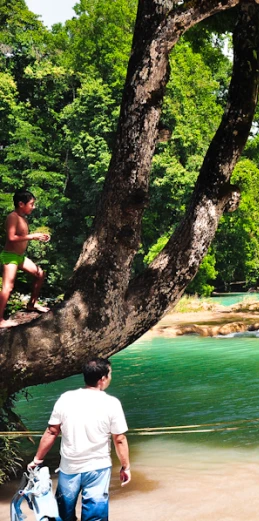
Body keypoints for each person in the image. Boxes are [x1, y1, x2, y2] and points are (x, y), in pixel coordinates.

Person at [28, 357, 131, 521]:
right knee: (95, 516)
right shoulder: (112, 403)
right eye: (110, 374)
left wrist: (37, 460)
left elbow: (51, 432)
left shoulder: (66, 398)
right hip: (98, 468)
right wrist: (125, 467)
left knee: (63, 514)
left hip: (70, 467)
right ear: (102, 379)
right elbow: (119, 439)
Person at [0, 189, 51, 328]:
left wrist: (39, 236)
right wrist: (32, 236)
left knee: (40, 274)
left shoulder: (23, 218)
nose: (33, 207)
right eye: (32, 204)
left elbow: (22, 236)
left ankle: (32, 304)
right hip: (10, 256)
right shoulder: (13, 217)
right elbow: (11, 238)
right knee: (8, 287)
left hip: (20, 257)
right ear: (21, 204)